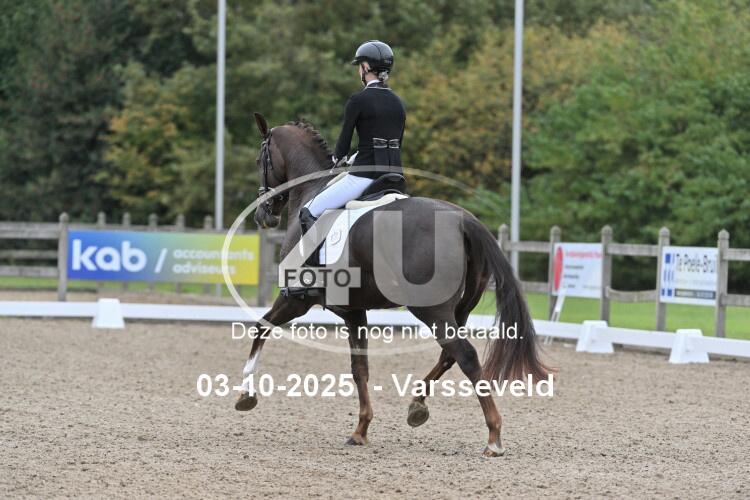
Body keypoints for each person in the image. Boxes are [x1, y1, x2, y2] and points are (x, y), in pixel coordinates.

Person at [299, 40, 406, 235]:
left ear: (365, 67)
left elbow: (344, 142)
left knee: (308, 211)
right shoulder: (398, 102)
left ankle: (317, 255)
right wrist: (356, 156)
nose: (359, 71)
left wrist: (337, 159)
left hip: (364, 176)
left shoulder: (358, 100)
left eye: (359, 66)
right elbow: (396, 143)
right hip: (395, 177)